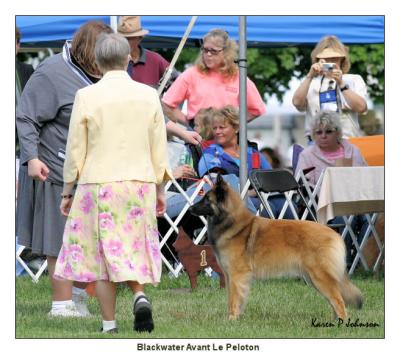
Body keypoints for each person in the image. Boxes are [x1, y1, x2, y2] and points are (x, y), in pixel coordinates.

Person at [53, 32, 171, 334]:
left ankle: (109, 325)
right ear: (128, 58)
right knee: (132, 245)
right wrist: (160, 189)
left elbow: (76, 148)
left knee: (104, 256)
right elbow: (159, 146)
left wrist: (68, 190)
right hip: (139, 182)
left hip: (98, 183)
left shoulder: (86, 96)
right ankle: (139, 294)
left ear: (96, 60)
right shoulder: (148, 95)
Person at [16, 20, 113, 317]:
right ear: (87, 51)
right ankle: (60, 305)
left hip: (93, 170)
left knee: (92, 238)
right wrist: (31, 158)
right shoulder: (51, 73)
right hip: (52, 166)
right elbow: (26, 117)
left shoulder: (106, 74)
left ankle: (79, 301)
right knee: (59, 238)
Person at [295, 111, 368, 267]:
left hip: (357, 199)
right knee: (346, 217)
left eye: (329, 131)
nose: (323, 136)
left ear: (338, 133)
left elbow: (365, 175)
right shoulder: (307, 155)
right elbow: (303, 185)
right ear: (313, 134)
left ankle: (363, 259)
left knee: (375, 217)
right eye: (319, 132)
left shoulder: (353, 150)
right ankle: (345, 262)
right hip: (324, 204)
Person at [117, 15, 201, 146]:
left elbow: (181, 83)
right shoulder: (114, 60)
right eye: (122, 38)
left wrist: (170, 108)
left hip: (152, 131)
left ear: (140, 38)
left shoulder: (155, 60)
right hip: (121, 129)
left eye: (129, 38)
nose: (124, 42)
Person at [162, 28, 266, 127]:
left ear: (226, 52)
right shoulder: (191, 74)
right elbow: (167, 104)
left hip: (227, 138)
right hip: (199, 137)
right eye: (205, 50)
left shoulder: (237, 77)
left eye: (214, 51)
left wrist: (234, 125)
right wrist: (189, 124)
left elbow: (257, 109)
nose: (208, 54)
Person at [292, 35, 368, 141]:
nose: (330, 62)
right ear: (317, 60)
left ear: (342, 60)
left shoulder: (353, 79)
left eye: (334, 59)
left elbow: (361, 108)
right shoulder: (311, 82)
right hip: (316, 142)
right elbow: (297, 103)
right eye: (326, 59)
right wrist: (310, 76)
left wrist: (341, 83)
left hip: (345, 140)